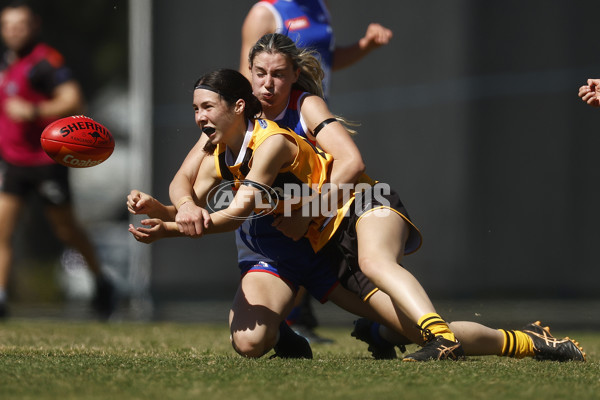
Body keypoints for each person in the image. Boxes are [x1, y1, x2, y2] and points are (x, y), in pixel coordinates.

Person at [128, 66, 586, 362]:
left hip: (338, 233)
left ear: (238, 104)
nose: (199, 117)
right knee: (248, 343)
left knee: (423, 324)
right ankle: (292, 336)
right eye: (195, 109)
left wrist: (170, 228)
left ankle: (530, 342)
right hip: (280, 249)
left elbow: (343, 169)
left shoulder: (281, 132)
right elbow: (187, 186)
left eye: (206, 107)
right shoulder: (218, 141)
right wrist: (172, 209)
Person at [239, 0, 392, 340]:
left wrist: (364, 46)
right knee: (284, 220)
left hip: (307, 127)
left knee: (314, 224)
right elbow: (246, 80)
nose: (267, 81)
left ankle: (309, 314)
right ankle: (293, 316)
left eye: (279, 74)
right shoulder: (266, 13)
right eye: (262, 74)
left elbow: (324, 60)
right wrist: (180, 213)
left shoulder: (319, 8)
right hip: (279, 130)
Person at [0, 1, 117, 319]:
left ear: (34, 26)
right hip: (14, 162)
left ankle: (101, 282)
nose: (14, 32)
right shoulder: (8, 62)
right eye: (8, 26)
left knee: (66, 230)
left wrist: (34, 110)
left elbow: (73, 98)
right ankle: (1, 298)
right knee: (3, 230)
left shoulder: (44, 63)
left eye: (20, 25)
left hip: (45, 162)